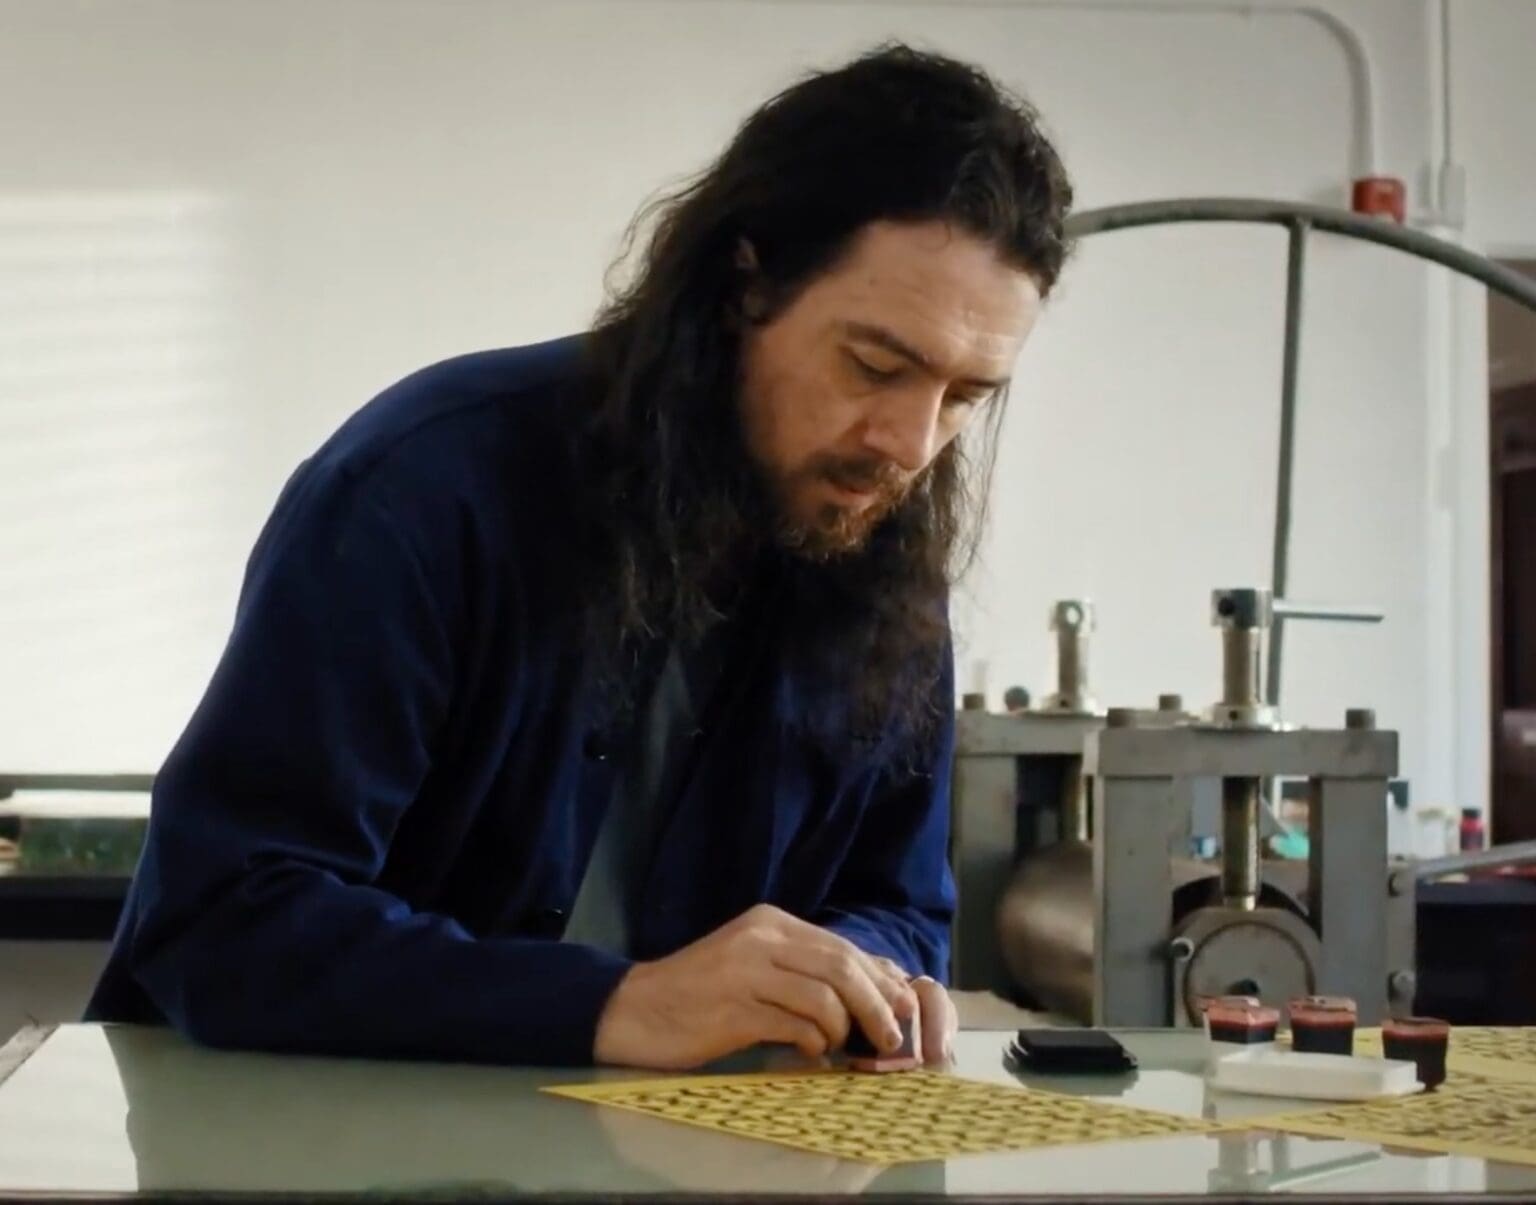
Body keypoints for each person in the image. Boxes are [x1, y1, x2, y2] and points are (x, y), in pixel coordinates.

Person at [86, 43, 1073, 1071]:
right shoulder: (424, 487)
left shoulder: (883, 559)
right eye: (875, 364)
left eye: (964, 399)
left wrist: (855, 976)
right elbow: (222, 918)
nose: (911, 447)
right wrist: (622, 1004)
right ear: (745, 282)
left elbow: (900, 904)